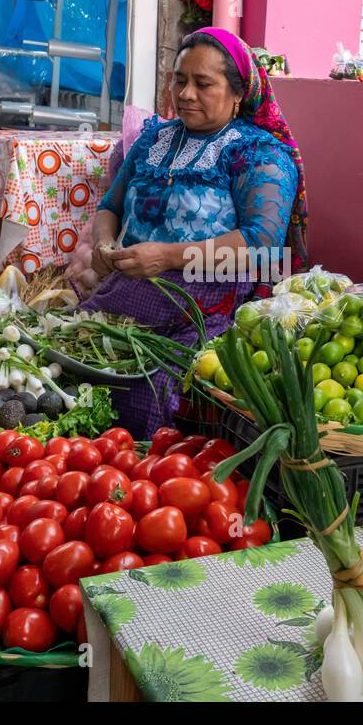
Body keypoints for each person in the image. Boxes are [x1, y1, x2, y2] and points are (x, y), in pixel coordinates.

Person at [81, 27, 310, 434]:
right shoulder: (155, 139)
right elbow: (110, 206)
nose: (185, 94)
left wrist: (166, 257)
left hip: (206, 306)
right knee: (71, 358)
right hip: (126, 292)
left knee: (149, 389)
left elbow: (262, 246)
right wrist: (104, 241)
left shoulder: (257, 153)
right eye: (179, 80)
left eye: (203, 84)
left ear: (238, 93)